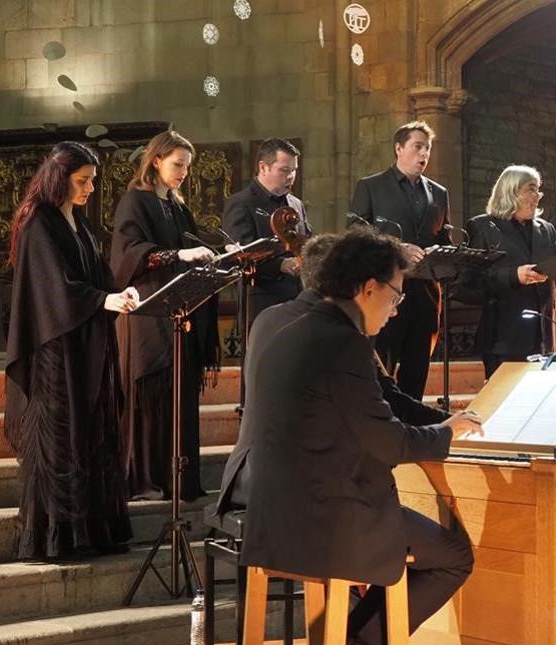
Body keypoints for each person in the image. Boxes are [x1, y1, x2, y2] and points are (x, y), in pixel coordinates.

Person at [239, 228, 481, 645]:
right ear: (368, 287)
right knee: (454, 556)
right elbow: (388, 442)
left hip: (271, 509)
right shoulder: (342, 341)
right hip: (327, 516)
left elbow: (364, 411)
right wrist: (447, 436)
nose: (395, 310)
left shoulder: (280, 322)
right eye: (396, 297)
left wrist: (436, 425)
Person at [214, 233, 450, 519]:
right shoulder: (339, 335)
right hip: (303, 486)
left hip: (248, 472)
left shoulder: (268, 317)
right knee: (445, 545)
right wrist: (447, 428)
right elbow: (388, 416)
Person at [5, 142, 139, 560]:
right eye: (83, 181)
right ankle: (57, 536)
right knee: (62, 441)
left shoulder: (76, 220)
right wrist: (102, 301)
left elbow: (94, 274)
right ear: (60, 178)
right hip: (55, 353)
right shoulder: (38, 223)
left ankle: (93, 530)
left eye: (93, 180)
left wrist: (119, 292)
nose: (91, 188)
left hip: (85, 348)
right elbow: (53, 289)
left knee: (91, 436)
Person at [110, 130, 219, 501]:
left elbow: (193, 243)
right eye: (178, 164)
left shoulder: (176, 204)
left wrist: (222, 251)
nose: (184, 172)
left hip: (176, 311)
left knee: (179, 392)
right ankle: (146, 480)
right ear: (156, 161)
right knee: (153, 394)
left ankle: (179, 480)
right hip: (146, 313)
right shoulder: (134, 201)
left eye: (188, 167)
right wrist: (176, 256)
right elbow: (129, 252)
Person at [349, 120, 451, 398]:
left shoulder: (439, 193)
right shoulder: (371, 186)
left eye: (427, 148)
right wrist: (396, 248)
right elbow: (356, 235)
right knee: (381, 368)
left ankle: (412, 432)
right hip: (384, 291)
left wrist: (440, 253)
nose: (424, 154)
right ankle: (381, 428)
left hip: (426, 294)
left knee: (417, 369)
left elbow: (444, 239)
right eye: (418, 147)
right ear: (398, 148)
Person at [460, 165, 556, 378]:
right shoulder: (483, 227)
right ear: (511, 191)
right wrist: (514, 275)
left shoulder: (546, 229)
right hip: (504, 336)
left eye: (538, 190)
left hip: (546, 337)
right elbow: (469, 283)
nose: (537, 196)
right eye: (531, 189)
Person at [221, 137, 310, 328]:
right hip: (262, 301)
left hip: (298, 298)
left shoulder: (296, 204)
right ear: (263, 167)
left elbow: (307, 241)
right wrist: (280, 264)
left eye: (294, 170)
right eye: (284, 170)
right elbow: (238, 256)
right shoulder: (241, 203)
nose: (291, 176)